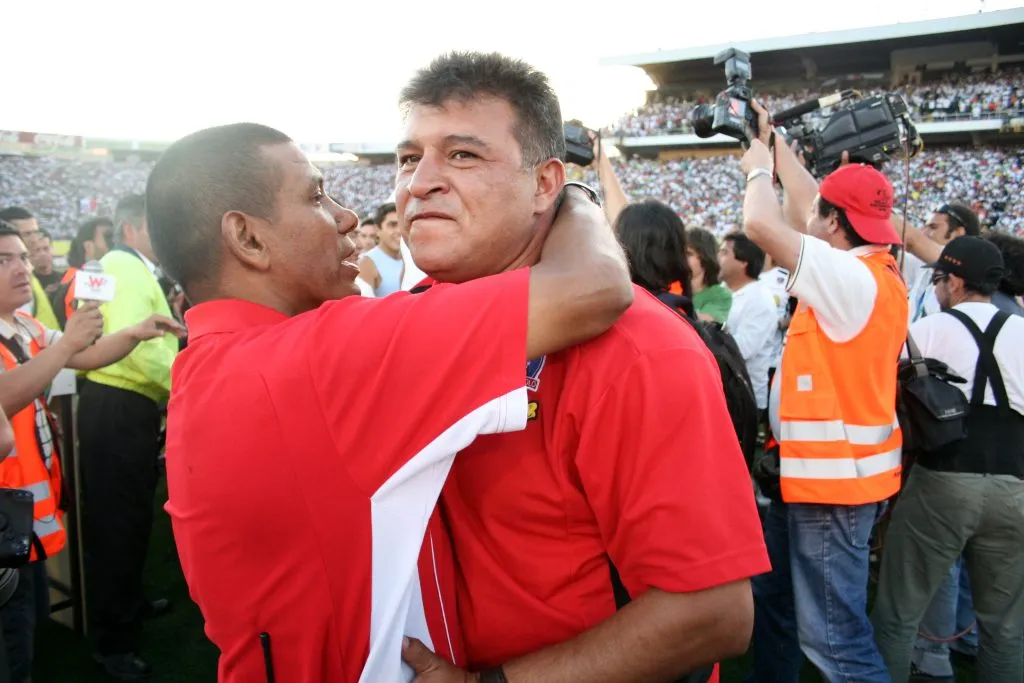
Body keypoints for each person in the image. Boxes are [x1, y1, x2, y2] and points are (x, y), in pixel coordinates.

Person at [146, 122, 632, 683]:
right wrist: (572, 195)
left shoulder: (208, 365)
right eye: (315, 195)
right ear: (249, 239)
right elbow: (592, 285)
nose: (347, 216)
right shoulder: (316, 360)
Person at [394, 51, 768, 683]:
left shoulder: (641, 353)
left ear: (545, 184)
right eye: (408, 157)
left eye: (462, 155)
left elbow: (712, 613)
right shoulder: (408, 322)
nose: (419, 181)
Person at [740, 99, 908, 683]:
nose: (807, 215)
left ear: (835, 223)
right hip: (825, 480)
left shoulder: (849, 277)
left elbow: (763, 223)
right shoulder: (871, 269)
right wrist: (774, 139)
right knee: (795, 616)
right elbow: (807, 202)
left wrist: (758, 165)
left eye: (821, 213)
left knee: (837, 645)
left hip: (832, 489)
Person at [0, 220, 182, 683]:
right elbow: (6, 395)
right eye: (6, 260)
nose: (22, 268)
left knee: (26, 617)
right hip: (9, 497)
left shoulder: (24, 324)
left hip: (26, 497)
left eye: (23, 257)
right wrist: (66, 347)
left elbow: (86, 355)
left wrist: (136, 332)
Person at [872, 236, 1024, 683]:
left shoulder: (928, 329)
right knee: (1006, 629)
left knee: (898, 613)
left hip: (943, 478)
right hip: (1015, 482)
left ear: (955, 282)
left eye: (939, 278)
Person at [76, 194, 184, 680]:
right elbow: (139, 352)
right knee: (116, 524)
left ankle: (129, 604)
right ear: (132, 230)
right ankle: (112, 642)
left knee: (131, 517)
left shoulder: (122, 266)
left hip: (126, 406)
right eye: (156, 227)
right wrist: (187, 386)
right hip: (117, 405)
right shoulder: (122, 266)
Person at [0, 208, 59, 331]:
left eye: (35, 233)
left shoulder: (28, 272)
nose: (34, 240)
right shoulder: (13, 283)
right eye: (27, 234)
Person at [686, 227, 732, 324]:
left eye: (688, 254)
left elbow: (702, 322)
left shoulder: (720, 295)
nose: (681, 258)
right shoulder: (668, 287)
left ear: (706, 258)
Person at [358, 202, 404, 296]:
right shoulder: (367, 263)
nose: (399, 231)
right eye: (392, 225)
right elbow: (363, 308)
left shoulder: (413, 259)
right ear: (378, 229)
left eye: (402, 224)